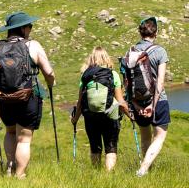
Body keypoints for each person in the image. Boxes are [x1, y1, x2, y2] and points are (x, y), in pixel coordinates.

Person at [0, 11, 55, 179]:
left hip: (3, 98)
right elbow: (48, 71)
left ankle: (10, 168)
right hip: (27, 97)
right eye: (29, 26)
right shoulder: (33, 45)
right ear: (23, 29)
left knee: (10, 132)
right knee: (24, 139)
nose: (31, 29)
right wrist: (51, 83)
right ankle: (20, 174)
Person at [122, 16, 170, 176]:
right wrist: (153, 106)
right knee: (160, 136)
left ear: (140, 33)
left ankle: (146, 171)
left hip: (138, 101)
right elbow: (160, 82)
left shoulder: (129, 53)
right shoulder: (160, 51)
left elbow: (126, 85)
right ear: (155, 33)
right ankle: (143, 168)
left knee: (145, 137)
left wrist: (136, 105)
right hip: (158, 101)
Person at [70, 47, 130, 171]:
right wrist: (130, 115)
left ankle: (96, 173)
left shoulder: (85, 76)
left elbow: (80, 102)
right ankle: (108, 176)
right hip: (109, 115)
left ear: (91, 58)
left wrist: (75, 119)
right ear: (106, 58)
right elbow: (120, 101)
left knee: (94, 146)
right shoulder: (112, 74)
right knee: (111, 146)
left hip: (90, 116)